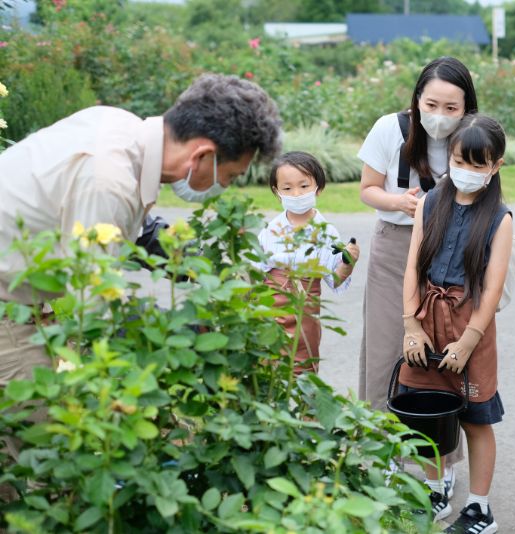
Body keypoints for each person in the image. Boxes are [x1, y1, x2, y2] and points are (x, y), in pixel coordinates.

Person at [0, 73, 282, 474]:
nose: (226, 186)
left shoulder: (116, 125)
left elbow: (137, 233)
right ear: (201, 156)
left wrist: (204, 271)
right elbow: (91, 313)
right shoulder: (108, 181)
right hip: (6, 311)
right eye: (231, 176)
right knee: (62, 462)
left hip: (19, 297)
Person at [358, 56, 478, 490]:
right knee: (387, 348)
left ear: (467, 108)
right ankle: (380, 452)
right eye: (432, 104)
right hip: (396, 242)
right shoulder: (390, 128)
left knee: (440, 356)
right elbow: (367, 189)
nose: (441, 116)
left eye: (452, 108)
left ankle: (441, 465)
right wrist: (400, 203)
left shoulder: (474, 136)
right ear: (417, 99)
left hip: (449, 248)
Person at [400, 114, 512, 534]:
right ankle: (434, 491)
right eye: (460, 160)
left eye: (478, 163)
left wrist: (468, 340)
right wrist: (411, 323)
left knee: (476, 419)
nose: (466, 170)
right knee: (426, 413)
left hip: (471, 325)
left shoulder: (500, 218)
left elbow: (492, 289)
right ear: (449, 156)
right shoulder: (430, 202)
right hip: (426, 316)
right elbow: (412, 265)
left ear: (495, 165)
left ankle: (480, 509)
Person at [255, 151, 359, 374]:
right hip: (270, 308)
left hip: (305, 311)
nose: (296, 193)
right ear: (276, 191)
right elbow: (256, 273)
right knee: (266, 366)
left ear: (318, 187)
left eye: (304, 186)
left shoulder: (326, 232)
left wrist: (348, 262)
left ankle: (306, 409)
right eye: (287, 188)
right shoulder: (270, 229)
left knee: (304, 368)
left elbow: (336, 279)